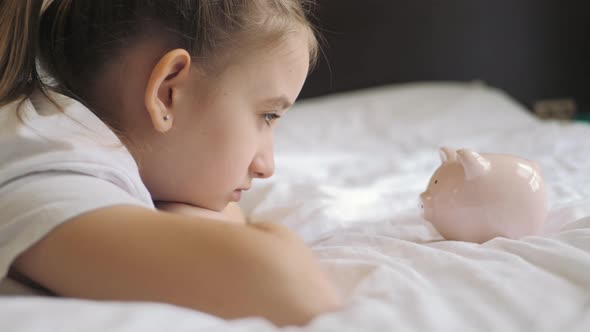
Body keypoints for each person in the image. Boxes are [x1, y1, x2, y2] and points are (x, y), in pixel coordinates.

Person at [0, 0, 342, 326]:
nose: (267, 166)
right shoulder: (46, 164)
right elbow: (296, 292)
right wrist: (199, 218)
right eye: (266, 115)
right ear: (167, 92)